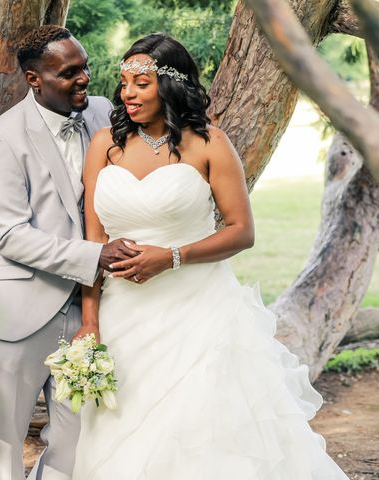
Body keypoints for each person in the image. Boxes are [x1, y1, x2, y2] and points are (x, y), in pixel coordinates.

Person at [72, 33, 350, 479]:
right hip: (122, 315)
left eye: (140, 82)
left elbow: (242, 231)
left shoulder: (210, 144)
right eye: (123, 82)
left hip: (199, 312)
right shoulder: (105, 144)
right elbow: (93, 243)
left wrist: (172, 256)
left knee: (200, 427)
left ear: (170, 85)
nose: (127, 92)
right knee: (122, 429)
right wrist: (90, 320)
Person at [0, 25, 137, 480]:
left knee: (78, 439)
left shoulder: (103, 112)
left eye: (85, 68)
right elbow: (9, 235)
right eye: (68, 72)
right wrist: (93, 257)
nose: (84, 79)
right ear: (33, 78)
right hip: (14, 315)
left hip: (87, 310)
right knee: (4, 443)